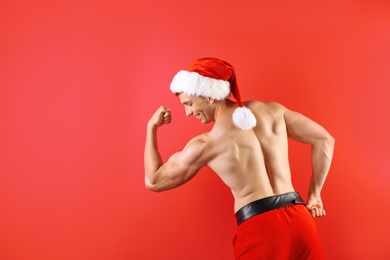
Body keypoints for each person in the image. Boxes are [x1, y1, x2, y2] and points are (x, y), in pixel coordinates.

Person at [144, 57, 334, 259]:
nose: (188, 112)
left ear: (210, 96)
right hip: (301, 221)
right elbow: (325, 139)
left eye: (189, 103)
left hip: (261, 229)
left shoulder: (208, 144)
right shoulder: (273, 111)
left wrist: (151, 128)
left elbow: (154, 180)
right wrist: (314, 195)